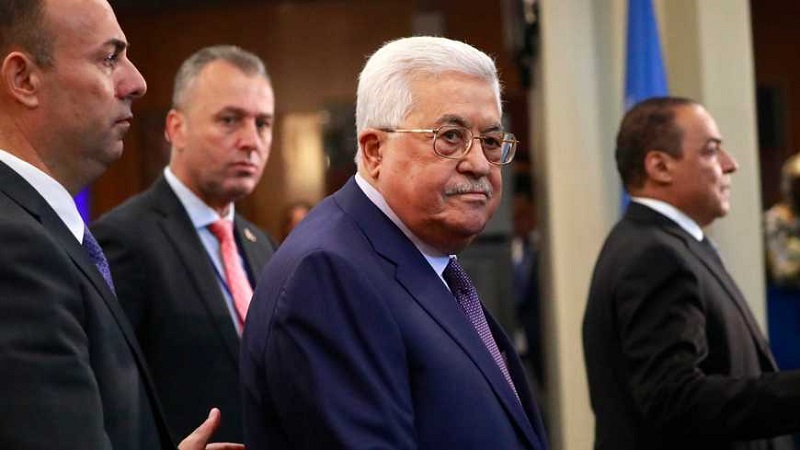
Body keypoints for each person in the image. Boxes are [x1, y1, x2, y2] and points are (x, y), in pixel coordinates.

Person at [240, 36, 548, 450]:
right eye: (450, 136)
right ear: (374, 151)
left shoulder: (425, 257)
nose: (478, 163)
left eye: (491, 141)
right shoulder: (329, 275)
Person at [0, 1, 240, 449]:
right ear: (24, 80)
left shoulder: (44, 231)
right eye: (109, 58)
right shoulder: (15, 246)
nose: (137, 82)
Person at [582, 96, 800, 450]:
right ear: (660, 166)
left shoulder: (668, 244)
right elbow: (676, 400)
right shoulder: (654, 256)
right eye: (711, 151)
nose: (731, 165)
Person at [92, 45, 276, 443]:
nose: (251, 140)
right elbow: (110, 396)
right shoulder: (123, 239)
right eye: (230, 120)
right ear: (176, 128)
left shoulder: (263, 245)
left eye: (263, 123)